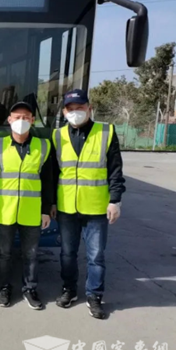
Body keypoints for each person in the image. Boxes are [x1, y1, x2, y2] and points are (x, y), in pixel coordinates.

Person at [51, 89, 125, 320]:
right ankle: (69, 290)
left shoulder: (106, 132)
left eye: (80, 108)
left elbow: (115, 169)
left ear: (89, 108)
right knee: (67, 253)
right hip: (66, 206)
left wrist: (115, 200)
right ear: (64, 112)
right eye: (70, 109)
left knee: (96, 255)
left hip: (96, 207)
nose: (75, 112)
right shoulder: (57, 135)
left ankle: (94, 296)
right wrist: (51, 203)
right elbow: (52, 173)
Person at [0, 102, 53, 310]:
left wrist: (46, 210)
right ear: (9, 120)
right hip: (4, 210)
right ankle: (4, 288)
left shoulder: (44, 146)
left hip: (32, 211)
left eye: (26, 117)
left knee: (31, 254)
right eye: (17, 117)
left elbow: (48, 180)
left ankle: (30, 289)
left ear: (33, 120)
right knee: (4, 253)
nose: (21, 121)